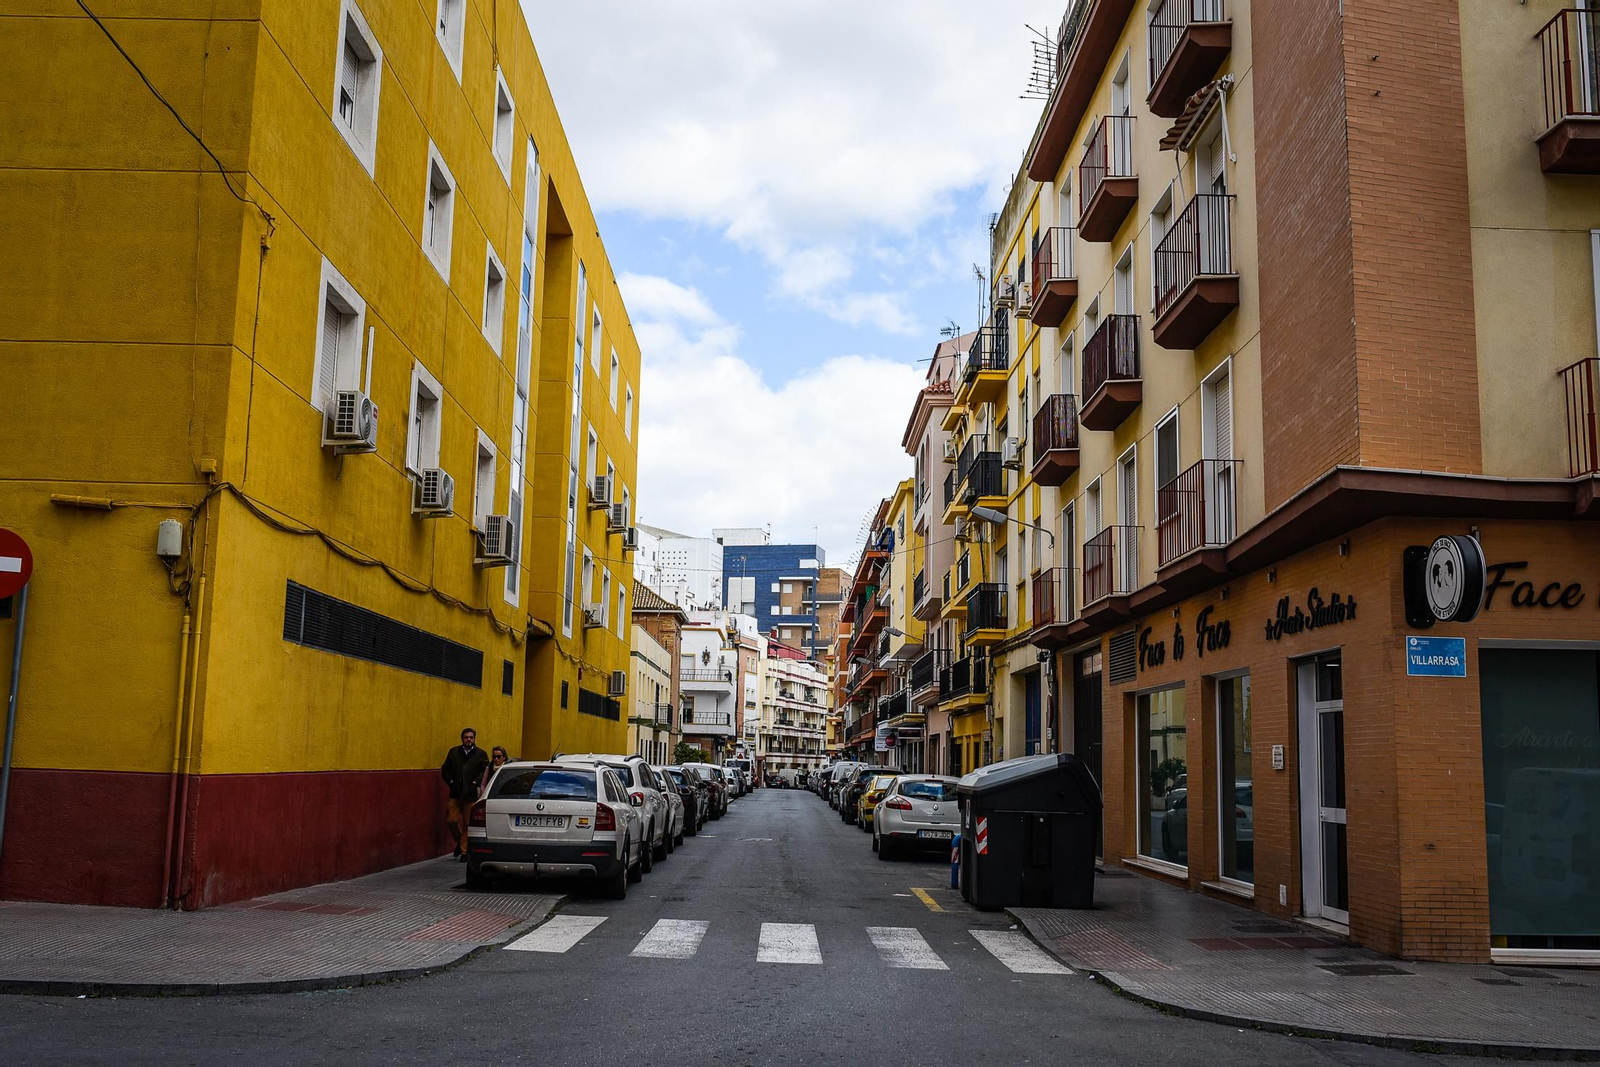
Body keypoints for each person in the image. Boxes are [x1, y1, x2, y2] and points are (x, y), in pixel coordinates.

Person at [440, 728, 489, 862]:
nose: (468, 739)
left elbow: (485, 771)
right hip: (455, 792)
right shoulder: (454, 752)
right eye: (466, 737)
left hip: (470, 794)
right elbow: (445, 769)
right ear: (462, 738)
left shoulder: (481, 754)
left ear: (474, 739)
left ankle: (464, 851)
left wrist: (476, 782)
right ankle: (459, 840)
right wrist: (450, 781)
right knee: (451, 820)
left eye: (471, 737)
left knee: (468, 823)